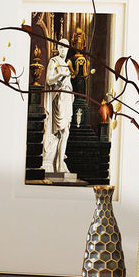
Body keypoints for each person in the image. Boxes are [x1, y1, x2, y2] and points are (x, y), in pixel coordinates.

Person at [42, 39, 75, 176]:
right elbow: (49, 80)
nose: (63, 50)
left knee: (66, 131)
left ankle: (60, 162)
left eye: (65, 48)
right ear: (57, 47)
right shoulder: (54, 61)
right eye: (60, 47)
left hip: (67, 98)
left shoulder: (66, 64)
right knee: (60, 132)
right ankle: (57, 163)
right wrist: (60, 74)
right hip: (59, 99)